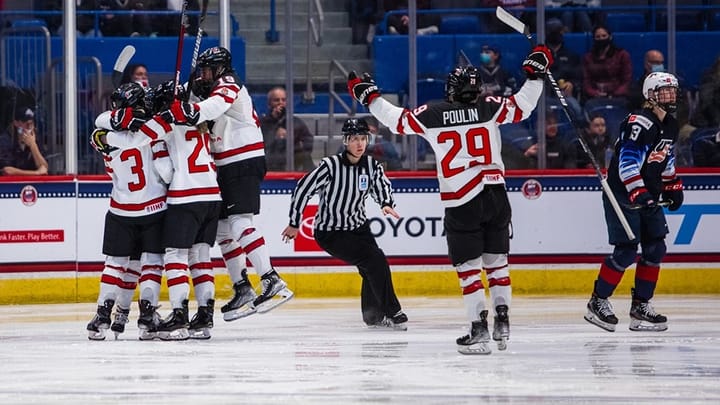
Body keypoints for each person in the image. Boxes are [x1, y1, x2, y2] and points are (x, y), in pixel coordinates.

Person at [348, 45, 554, 353]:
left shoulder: (433, 113)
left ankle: (479, 327)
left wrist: (370, 96)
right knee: (497, 264)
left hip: (462, 200)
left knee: (469, 267)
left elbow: (396, 120)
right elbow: (524, 105)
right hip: (496, 194)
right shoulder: (489, 106)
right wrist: (535, 74)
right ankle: (503, 320)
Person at [162, 46, 294, 318]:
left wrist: (190, 110)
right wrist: (172, 92)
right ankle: (242, 286)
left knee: (240, 223)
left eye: (208, 69)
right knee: (223, 231)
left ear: (220, 68)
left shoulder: (228, 82)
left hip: (242, 161)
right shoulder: (207, 84)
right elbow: (186, 93)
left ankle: (271, 279)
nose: (204, 74)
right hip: (225, 164)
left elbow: (212, 107)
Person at [99, 81, 223, 340]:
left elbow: (157, 161)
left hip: (184, 196)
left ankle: (178, 316)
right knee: (200, 256)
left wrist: (104, 135)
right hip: (212, 194)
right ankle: (204, 318)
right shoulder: (201, 119)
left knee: (175, 257)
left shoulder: (162, 124)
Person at [281, 118, 407, 330]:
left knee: (371, 267)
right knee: (375, 259)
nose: (360, 144)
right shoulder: (330, 166)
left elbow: (381, 186)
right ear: (346, 141)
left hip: (359, 228)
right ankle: (393, 312)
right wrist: (295, 222)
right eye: (355, 139)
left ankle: (373, 317)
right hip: (331, 233)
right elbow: (302, 189)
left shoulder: (372, 166)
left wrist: (385, 203)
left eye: (363, 139)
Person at [584, 72, 684, 333]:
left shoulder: (670, 124)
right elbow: (628, 162)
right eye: (665, 91)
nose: (671, 96)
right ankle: (598, 302)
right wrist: (639, 192)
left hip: (646, 193)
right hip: (622, 193)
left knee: (655, 248)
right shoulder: (640, 122)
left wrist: (672, 185)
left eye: (673, 91)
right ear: (651, 95)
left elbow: (665, 158)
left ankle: (641, 307)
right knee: (627, 250)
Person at [86, 82, 171, 340]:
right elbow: (166, 173)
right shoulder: (152, 135)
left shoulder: (102, 136)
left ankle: (101, 317)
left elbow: (104, 129)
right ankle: (147, 319)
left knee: (115, 264)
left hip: (120, 209)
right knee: (152, 264)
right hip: (153, 209)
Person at [260, 86, 315, 171]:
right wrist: (275, 134)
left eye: (283, 100)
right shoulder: (262, 123)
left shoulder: (296, 122)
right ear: (269, 103)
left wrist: (292, 141)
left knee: (305, 158)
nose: (280, 103)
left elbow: (308, 143)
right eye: (276, 100)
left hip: (292, 160)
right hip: (270, 161)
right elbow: (263, 145)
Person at [582, 25, 633, 101]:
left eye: (604, 36)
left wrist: (615, 94)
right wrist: (594, 93)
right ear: (594, 39)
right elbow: (586, 81)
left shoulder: (622, 55)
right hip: (595, 97)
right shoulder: (588, 57)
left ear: (610, 36)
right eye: (598, 37)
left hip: (618, 96)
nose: (601, 39)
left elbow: (627, 80)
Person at [545, 22, 583, 120]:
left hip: (564, 94)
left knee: (576, 108)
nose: (558, 34)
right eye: (554, 32)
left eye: (560, 31)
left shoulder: (571, 56)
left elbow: (578, 76)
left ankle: (577, 133)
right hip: (544, 95)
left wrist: (572, 84)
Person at [0, 107, 48, 176]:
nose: (29, 127)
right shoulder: (5, 140)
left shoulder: (35, 138)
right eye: (26, 123)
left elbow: (44, 168)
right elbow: (7, 170)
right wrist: (36, 173)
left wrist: (33, 145)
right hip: (9, 185)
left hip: (33, 185)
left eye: (31, 124)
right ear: (16, 123)